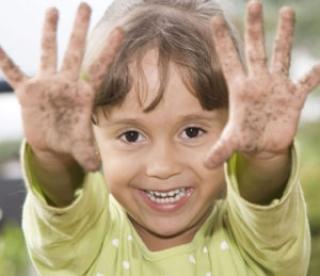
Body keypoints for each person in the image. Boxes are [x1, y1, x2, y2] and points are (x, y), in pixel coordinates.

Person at [0, 0, 319, 275]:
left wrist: (264, 158)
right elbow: (64, 202)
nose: (162, 166)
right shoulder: (85, 243)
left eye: (192, 131)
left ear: (236, 131)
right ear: (90, 136)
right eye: (131, 135)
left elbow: (263, 202)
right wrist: (55, 158)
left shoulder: (261, 245)